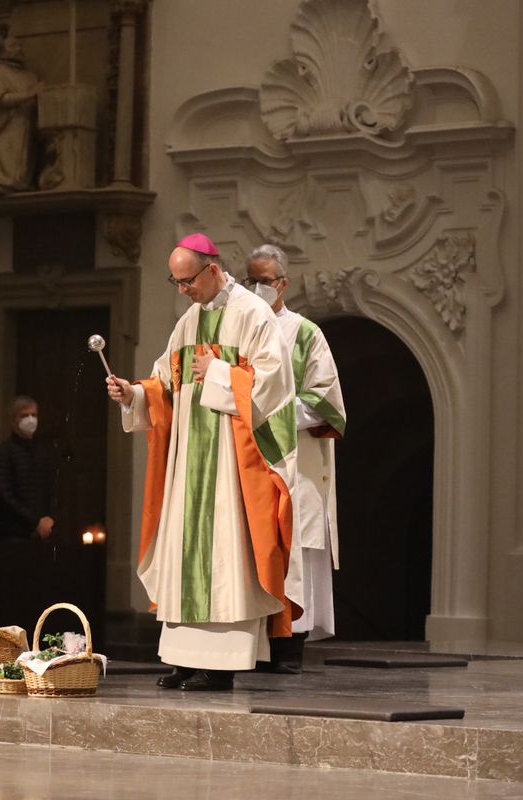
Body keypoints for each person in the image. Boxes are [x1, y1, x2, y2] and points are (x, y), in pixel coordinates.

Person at [105, 233, 301, 691]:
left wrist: (216, 372)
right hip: (188, 464)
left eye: (187, 280)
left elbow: (274, 387)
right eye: (175, 282)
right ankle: (183, 660)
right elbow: (163, 383)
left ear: (212, 269)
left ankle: (221, 665)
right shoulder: (188, 322)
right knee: (182, 554)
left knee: (224, 559)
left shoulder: (253, 316)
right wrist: (133, 393)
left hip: (231, 468)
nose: (182, 290)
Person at [246, 244, 347, 673]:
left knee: (295, 557)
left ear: (283, 283)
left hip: (296, 465)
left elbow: (326, 401)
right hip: (250, 462)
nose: (256, 288)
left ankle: (290, 648)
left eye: (264, 281)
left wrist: (264, 412)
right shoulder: (240, 330)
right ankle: (253, 646)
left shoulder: (304, 333)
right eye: (250, 279)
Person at [0, 36, 40, 191]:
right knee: (9, 161)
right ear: (0, 51)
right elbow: (1, 100)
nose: (19, 48)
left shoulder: (30, 76)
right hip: (5, 128)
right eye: (14, 45)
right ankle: (5, 179)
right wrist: (30, 94)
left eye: (20, 44)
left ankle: (22, 181)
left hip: (26, 124)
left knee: (23, 161)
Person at [0, 396, 56, 540]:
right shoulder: (2, 453)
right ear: (13, 420)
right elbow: (5, 496)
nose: (30, 420)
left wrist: (48, 518)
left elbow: (51, 488)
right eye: (24, 415)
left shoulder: (43, 451)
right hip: (12, 533)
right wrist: (35, 521)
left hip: (42, 530)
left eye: (34, 415)